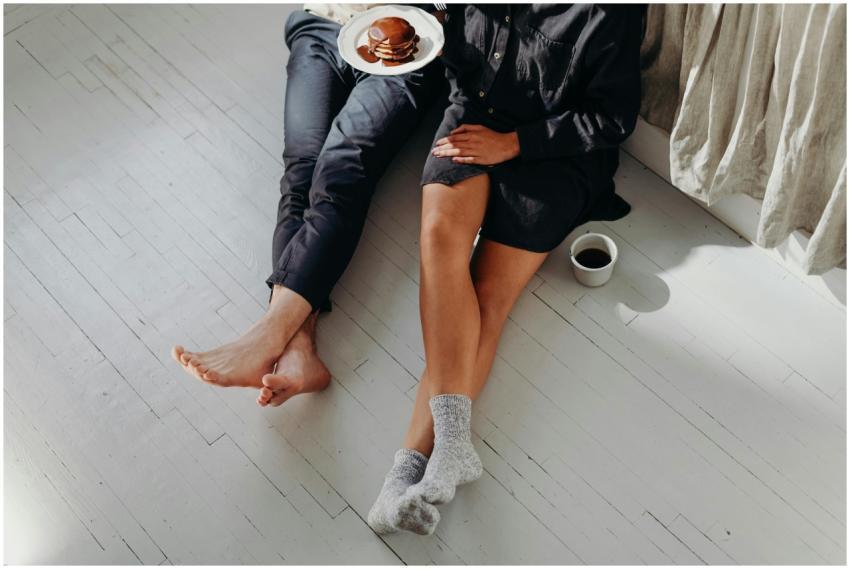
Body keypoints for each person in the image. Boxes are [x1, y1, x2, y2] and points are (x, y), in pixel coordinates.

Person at [367, 4, 646, 535]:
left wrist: (515, 144)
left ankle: (404, 473)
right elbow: (461, 54)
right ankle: (439, 455)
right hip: (475, 115)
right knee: (438, 242)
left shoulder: (611, 11)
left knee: (487, 296)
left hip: (555, 152)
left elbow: (612, 119)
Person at [171, 4, 444, 405]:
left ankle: (267, 335)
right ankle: (298, 352)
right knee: (301, 168)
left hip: (414, 45)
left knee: (342, 168)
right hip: (325, 22)